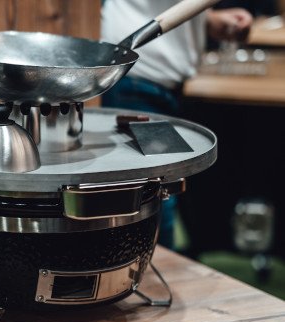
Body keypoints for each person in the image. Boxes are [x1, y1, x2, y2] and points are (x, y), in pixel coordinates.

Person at [100, 1, 253, 249]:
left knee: (157, 193)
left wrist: (207, 19)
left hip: (149, 80)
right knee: (155, 196)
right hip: (140, 79)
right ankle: (151, 282)